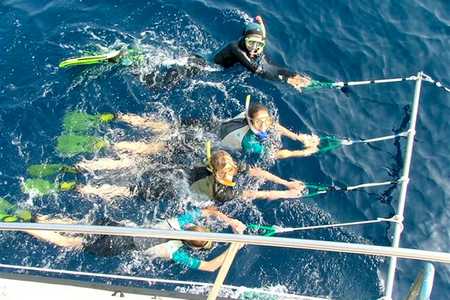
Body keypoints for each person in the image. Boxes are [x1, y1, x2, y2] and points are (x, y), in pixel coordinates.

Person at [16, 207, 246, 272]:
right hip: (114, 245)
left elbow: (208, 210)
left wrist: (229, 221)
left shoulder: (176, 223)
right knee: (69, 243)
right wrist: (234, 248)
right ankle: (25, 227)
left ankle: (40, 217)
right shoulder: (175, 252)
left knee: (76, 224)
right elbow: (209, 267)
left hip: (118, 228)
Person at [214, 16, 312, 90]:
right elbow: (260, 72)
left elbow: (263, 35)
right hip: (213, 67)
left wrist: (293, 75)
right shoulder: (235, 49)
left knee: (273, 67)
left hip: (235, 62)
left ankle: (296, 75)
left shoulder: (256, 44)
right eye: (251, 43)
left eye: (258, 44)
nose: (254, 48)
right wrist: (288, 81)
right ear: (244, 39)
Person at [219, 96, 320, 159]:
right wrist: (304, 152)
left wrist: (298, 138)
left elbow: (273, 125)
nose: (264, 125)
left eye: (266, 120)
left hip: (224, 127)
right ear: (250, 120)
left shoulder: (249, 114)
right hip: (221, 142)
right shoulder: (248, 141)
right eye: (259, 122)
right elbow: (274, 155)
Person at [189, 148, 305, 202]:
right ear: (219, 175)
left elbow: (259, 172)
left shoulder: (230, 165)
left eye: (234, 165)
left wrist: (287, 183)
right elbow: (255, 194)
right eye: (230, 170)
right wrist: (286, 194)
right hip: (193, 188)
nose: (235, 169)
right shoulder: (221, 193)